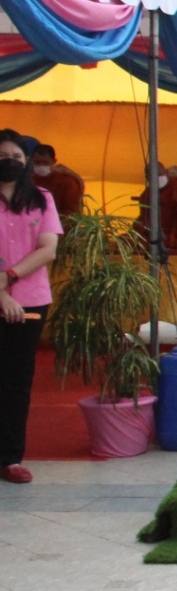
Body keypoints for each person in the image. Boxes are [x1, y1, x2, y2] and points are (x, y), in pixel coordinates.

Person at [0, 129, 61, 486]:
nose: (9, 161)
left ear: (25, 162)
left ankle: (11, 458)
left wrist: (8, 278)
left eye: (16, 156)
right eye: (2, 155)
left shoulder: (41, 199)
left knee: (17, 381)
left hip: (32, 301)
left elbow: (47, 249)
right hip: (5, 296)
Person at [31, 144, 82, 217]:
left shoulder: (67, 182)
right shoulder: (30, 181)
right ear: (32, 161)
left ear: (54, 161)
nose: (41, 165)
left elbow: (72, 212)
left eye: (45, 162)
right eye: (37, 162)